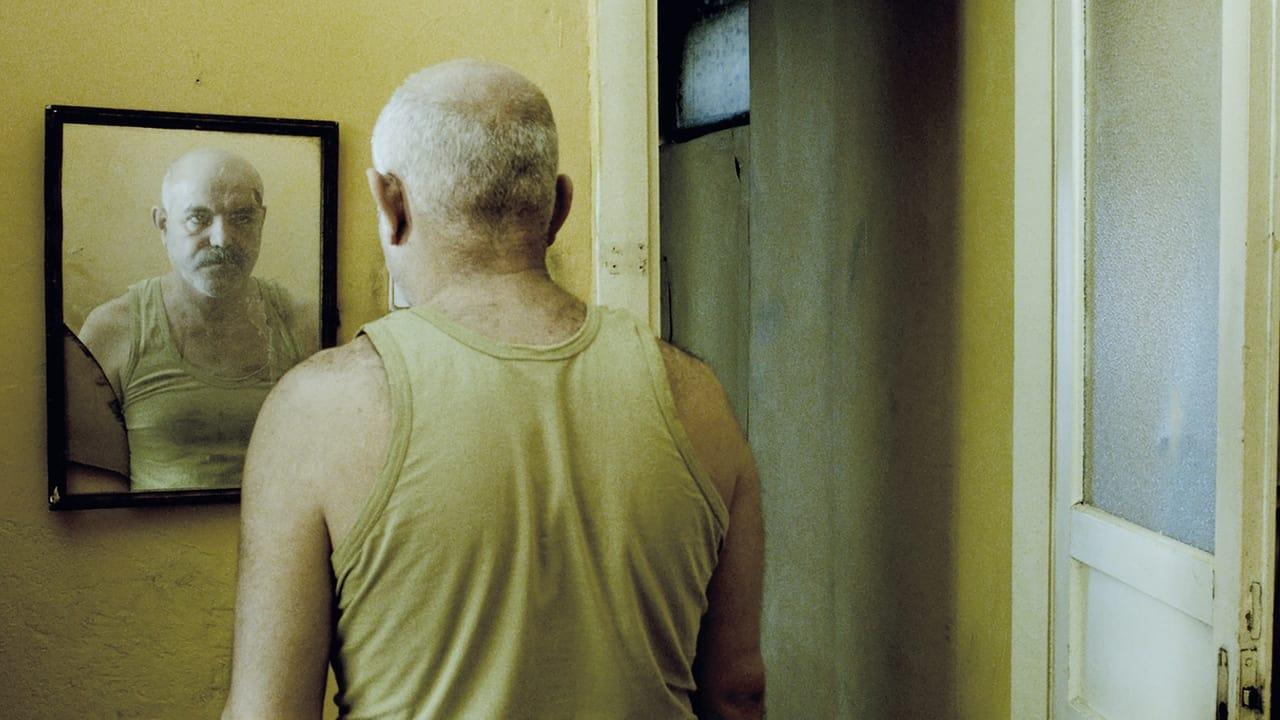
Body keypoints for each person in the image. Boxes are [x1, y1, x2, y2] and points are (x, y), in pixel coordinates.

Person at [223, 59, 765, 719]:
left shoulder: (317, 411)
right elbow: (737, 690)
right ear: (558, 207)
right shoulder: (698, 398)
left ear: (390, 204)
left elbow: (269, 711)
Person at [79, 149, 312, 491]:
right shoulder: (115, 329)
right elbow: (88, 493)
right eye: (198, 219)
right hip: (159, 527)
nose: (222, 240)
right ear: (163, 225)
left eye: (242, 217)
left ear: (262, 221)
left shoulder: (303, 324)